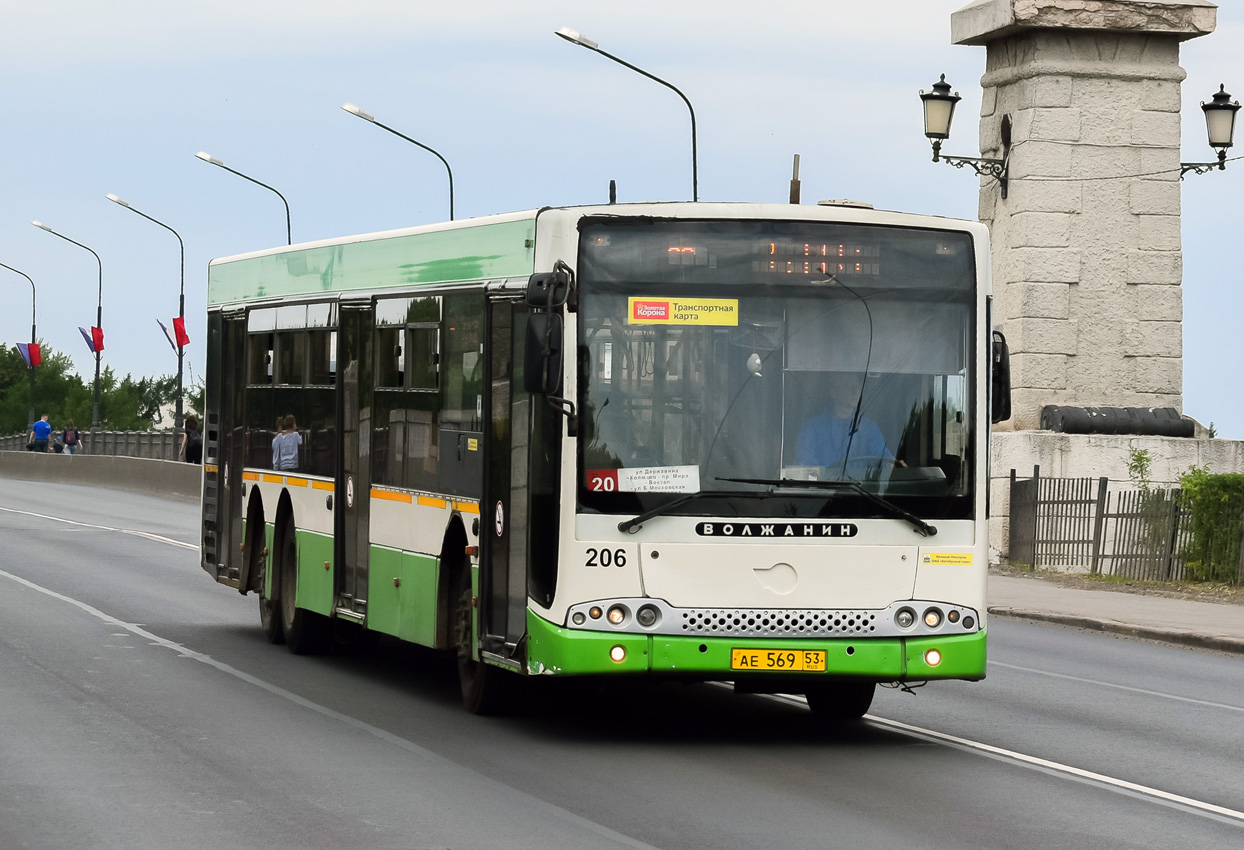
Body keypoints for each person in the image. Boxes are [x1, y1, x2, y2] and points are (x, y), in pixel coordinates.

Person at [795, 373, 898, 476]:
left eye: (857, 387)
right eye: (847, 386)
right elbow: (806, 465)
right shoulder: (813, 428)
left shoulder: (868, 427)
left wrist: (892, 463)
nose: (855, 391)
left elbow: (882, 456)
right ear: (834, 392)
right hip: (823, 489)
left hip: (860, 490)